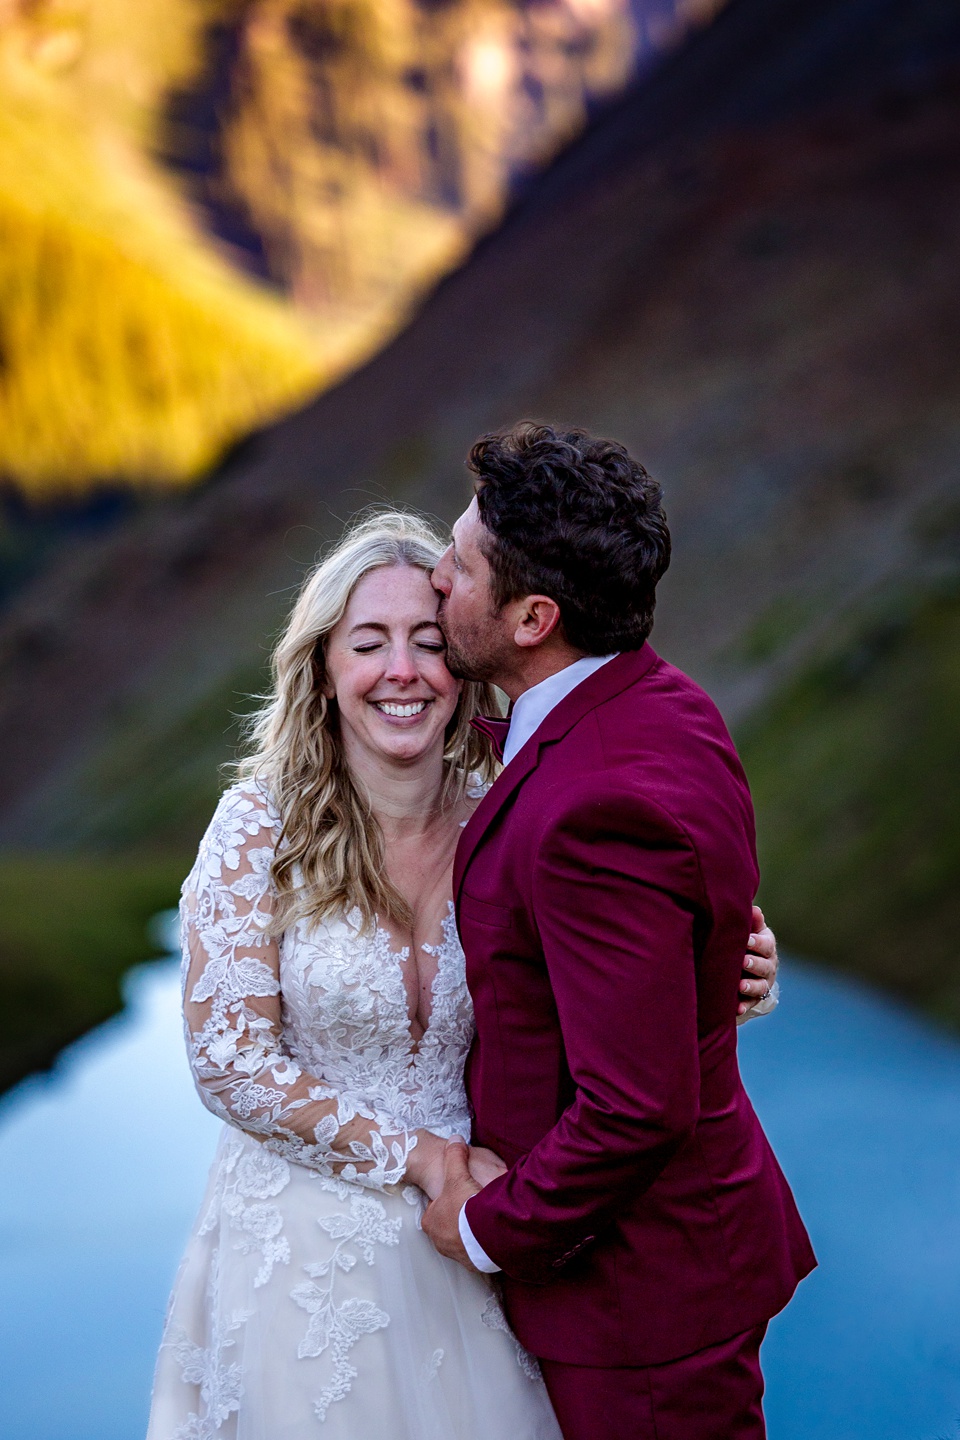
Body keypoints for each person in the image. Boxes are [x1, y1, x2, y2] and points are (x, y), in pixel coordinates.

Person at [147, 508, 780, 1440]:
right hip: (306, 1249)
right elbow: (231, 1060)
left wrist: (730, 963)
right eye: (368, 644)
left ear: (466, 663)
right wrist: (422, 1158)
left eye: (429, 643)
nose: (401, 672)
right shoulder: (257, 827)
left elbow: (624, 947)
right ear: (323, 667)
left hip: (491, 1239)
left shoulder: (516, 796)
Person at [422, 422, 816, 1440]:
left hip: (638, 1299)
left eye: (460, 563)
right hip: (670, 1269)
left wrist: (479, 1227)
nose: (436, 576)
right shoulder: (660, 700)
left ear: (531, 617)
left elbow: (637, 1109)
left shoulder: (596, 806)